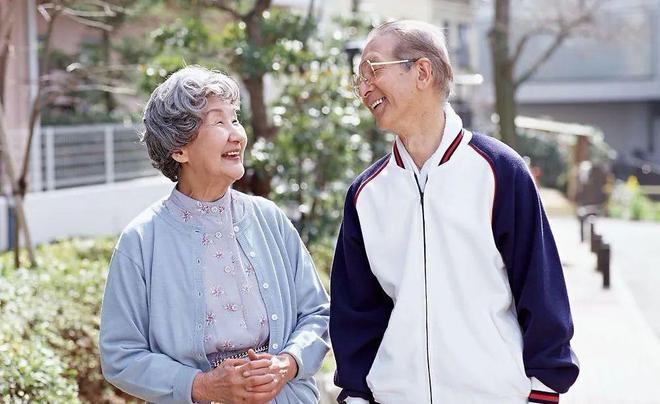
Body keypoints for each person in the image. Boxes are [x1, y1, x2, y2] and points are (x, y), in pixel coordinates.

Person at [330, 20, 579, 404]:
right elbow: (356, 312)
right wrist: (357, 396)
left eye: (372, 70)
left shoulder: (499, 170)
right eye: (358, 77)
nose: (364, 88)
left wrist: (543, 392)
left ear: (422, 72)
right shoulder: (366, 194)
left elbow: (541, 290)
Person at [99, 65, 330, 404]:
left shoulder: (270, 218)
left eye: (235, 120)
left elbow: (317, 313)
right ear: (179, 149)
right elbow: (120, 355)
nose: (237, 134)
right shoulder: (141, 241)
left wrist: (288, 363)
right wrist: (202, 386)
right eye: (219, 122)